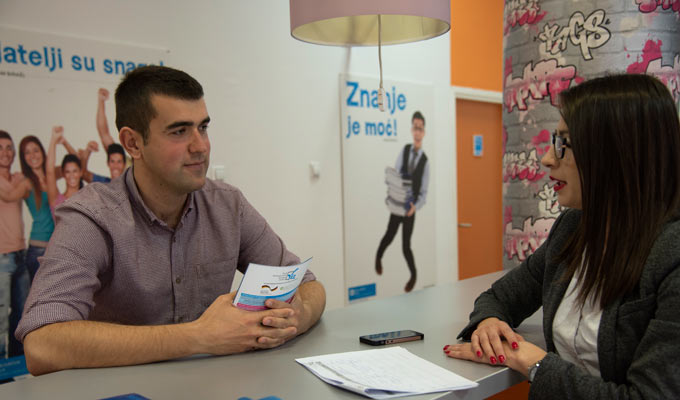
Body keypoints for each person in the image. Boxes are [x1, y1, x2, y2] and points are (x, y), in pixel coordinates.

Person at [16, 65, 327, 376]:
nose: (200, 146)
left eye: (203, 127)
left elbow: (310, 287)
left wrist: (296, 316)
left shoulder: (228, 205)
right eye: (179, 131)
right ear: (133, 143)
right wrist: (198, 336)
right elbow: (42, 343)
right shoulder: (92, 217)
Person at [443, 74, 680, 398]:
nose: (547, 159)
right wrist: (489, 324)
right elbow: (499, 297)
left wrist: (533, 362)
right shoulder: (573, 228)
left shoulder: (671, 255)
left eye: (563, 145)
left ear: (615, 153)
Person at [0, 135, 74, 283]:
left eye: (35, 150)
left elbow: (75, 163)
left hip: (57, 246)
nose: (32, 156)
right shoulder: (26, 183)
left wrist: (65, 142)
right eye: (27, 152)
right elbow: (8, 196)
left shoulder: (51, 174)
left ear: (42, 151)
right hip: (39, 248)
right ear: (23, 158)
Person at [375, 111, 430, 292]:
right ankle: (378, 257)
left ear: (424, 132)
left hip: (410, 209)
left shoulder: (425, 162)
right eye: (415, 128)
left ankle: (413, 276)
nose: (417, 131)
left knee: (406, 246)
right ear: (412, 130)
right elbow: (396, 174)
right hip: (397, 205)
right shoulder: (405, 150)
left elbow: (423, 192)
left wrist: (415, 207)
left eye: (420, 128)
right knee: (389, 235)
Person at [0, 130, 30, 358]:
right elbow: (10, 195)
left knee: (21, 314)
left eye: (9, 147)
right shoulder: (18, 181)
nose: (6, 152)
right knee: (1, 317)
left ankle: (17, 362)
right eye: (0, 148)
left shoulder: (19, 177)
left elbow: (41, 176)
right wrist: (26, 182)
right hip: (2, 258)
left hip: (21, 254)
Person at [45, 126, 85, 211]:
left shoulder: (88, 199)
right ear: (63, 174)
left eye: (75, 171)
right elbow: (50, 172)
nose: (71, 175)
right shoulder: (57, 200)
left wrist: (65, 142)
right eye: (67, 172)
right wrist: (53, 139)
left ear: (81, 172)